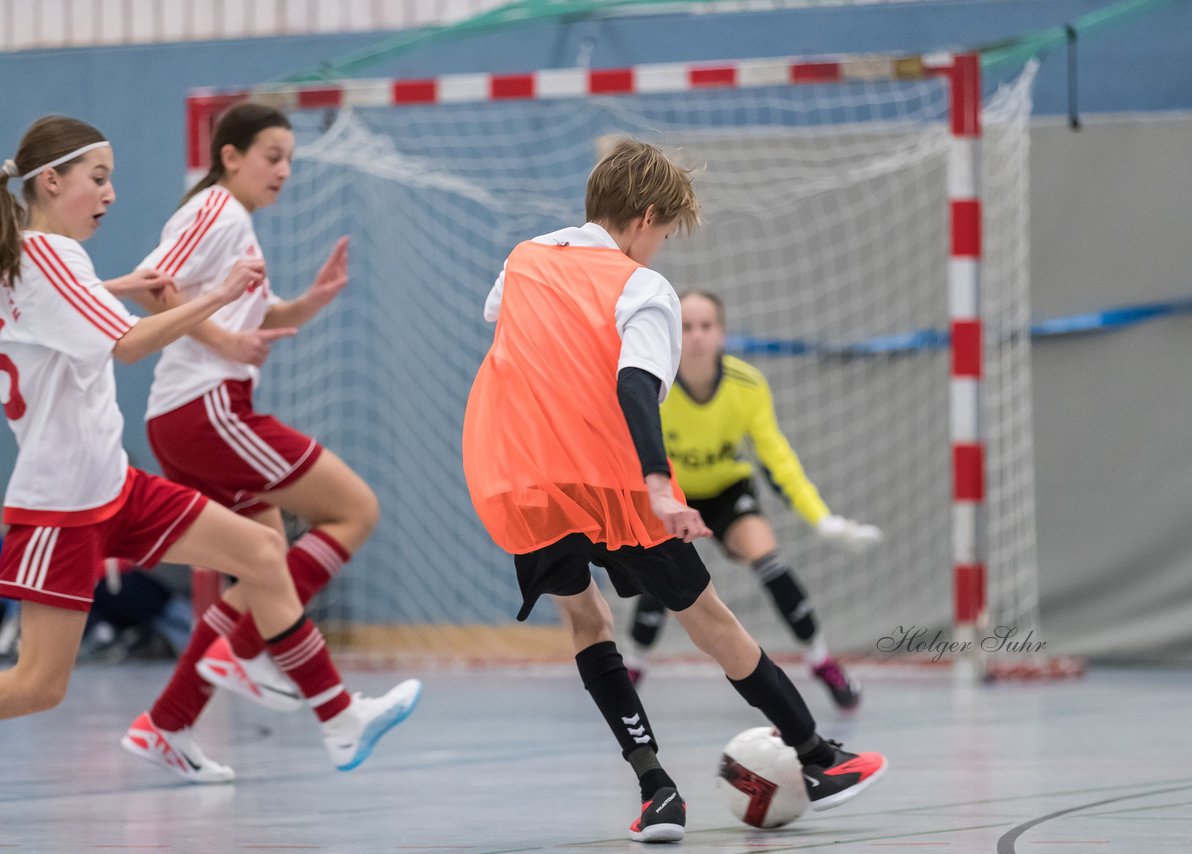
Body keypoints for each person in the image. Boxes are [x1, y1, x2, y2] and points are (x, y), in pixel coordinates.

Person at [461, 139, 887, 843]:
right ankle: (816, 758)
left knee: (586, 624)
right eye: (662, 233)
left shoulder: (524, 257)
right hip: (611, 480)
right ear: (647, 217)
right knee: (710, 617)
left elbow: (498, 314)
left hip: (517, 473)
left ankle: (656, 790)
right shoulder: (643, 289)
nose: (659, 248)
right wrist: (658, 485)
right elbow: (635, 385)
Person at [0, 115, 419, 783]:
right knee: (38, 687)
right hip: (62, 505)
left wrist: (136, 290)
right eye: (99, 179)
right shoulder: (51, 256)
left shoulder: (26, 258)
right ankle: (242, 664)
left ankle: (339, 719)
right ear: (51, 181)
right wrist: (219, 297)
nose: (111, 195)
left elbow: (75, 307)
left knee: (260, 551)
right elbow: (131, 345)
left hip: (114, 483)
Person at [109, 102, 391, 777]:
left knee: (265, 563)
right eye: (273, 156)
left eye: (291, 159)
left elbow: (237, 305)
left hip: (195, 412)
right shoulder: (215, 210)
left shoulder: (233, 224)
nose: (285, 171)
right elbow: (153, 288)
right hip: (206, 409)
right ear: (230, 156)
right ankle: (245, 653)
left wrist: (305, 305)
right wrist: (226, 341)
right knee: (354, 511)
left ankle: (167, 724)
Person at [625, 290, 882, 710]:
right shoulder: (654, 386)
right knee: (663, 573)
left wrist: (822, 519)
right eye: (686, 327)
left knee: (768, 557)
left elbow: (777, 458)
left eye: (706, 326)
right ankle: (632, 666)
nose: (696, 336)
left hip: (728, 492)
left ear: (722, 334)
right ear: (672, 333)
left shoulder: (747, 385)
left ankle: (821, 661)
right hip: (673, 494)